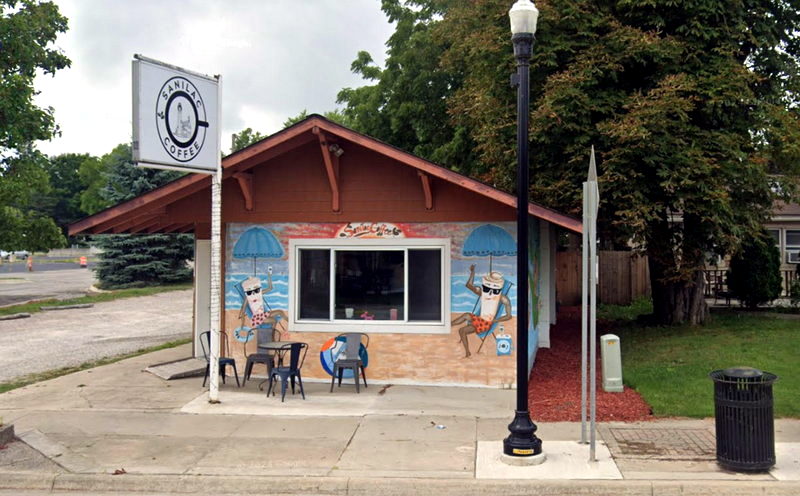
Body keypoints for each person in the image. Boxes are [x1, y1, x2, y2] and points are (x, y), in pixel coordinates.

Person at [452, 265, 512, 358]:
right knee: (466, 315)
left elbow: (509, 316)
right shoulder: (483, 292)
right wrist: (472, 272)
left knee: (462, 330)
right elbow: (469, 285)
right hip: (479, 319)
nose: (491, 290)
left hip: (486, 323)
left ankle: (467, 352)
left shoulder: (503, 298)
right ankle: (449, 325)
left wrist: (495, 320)